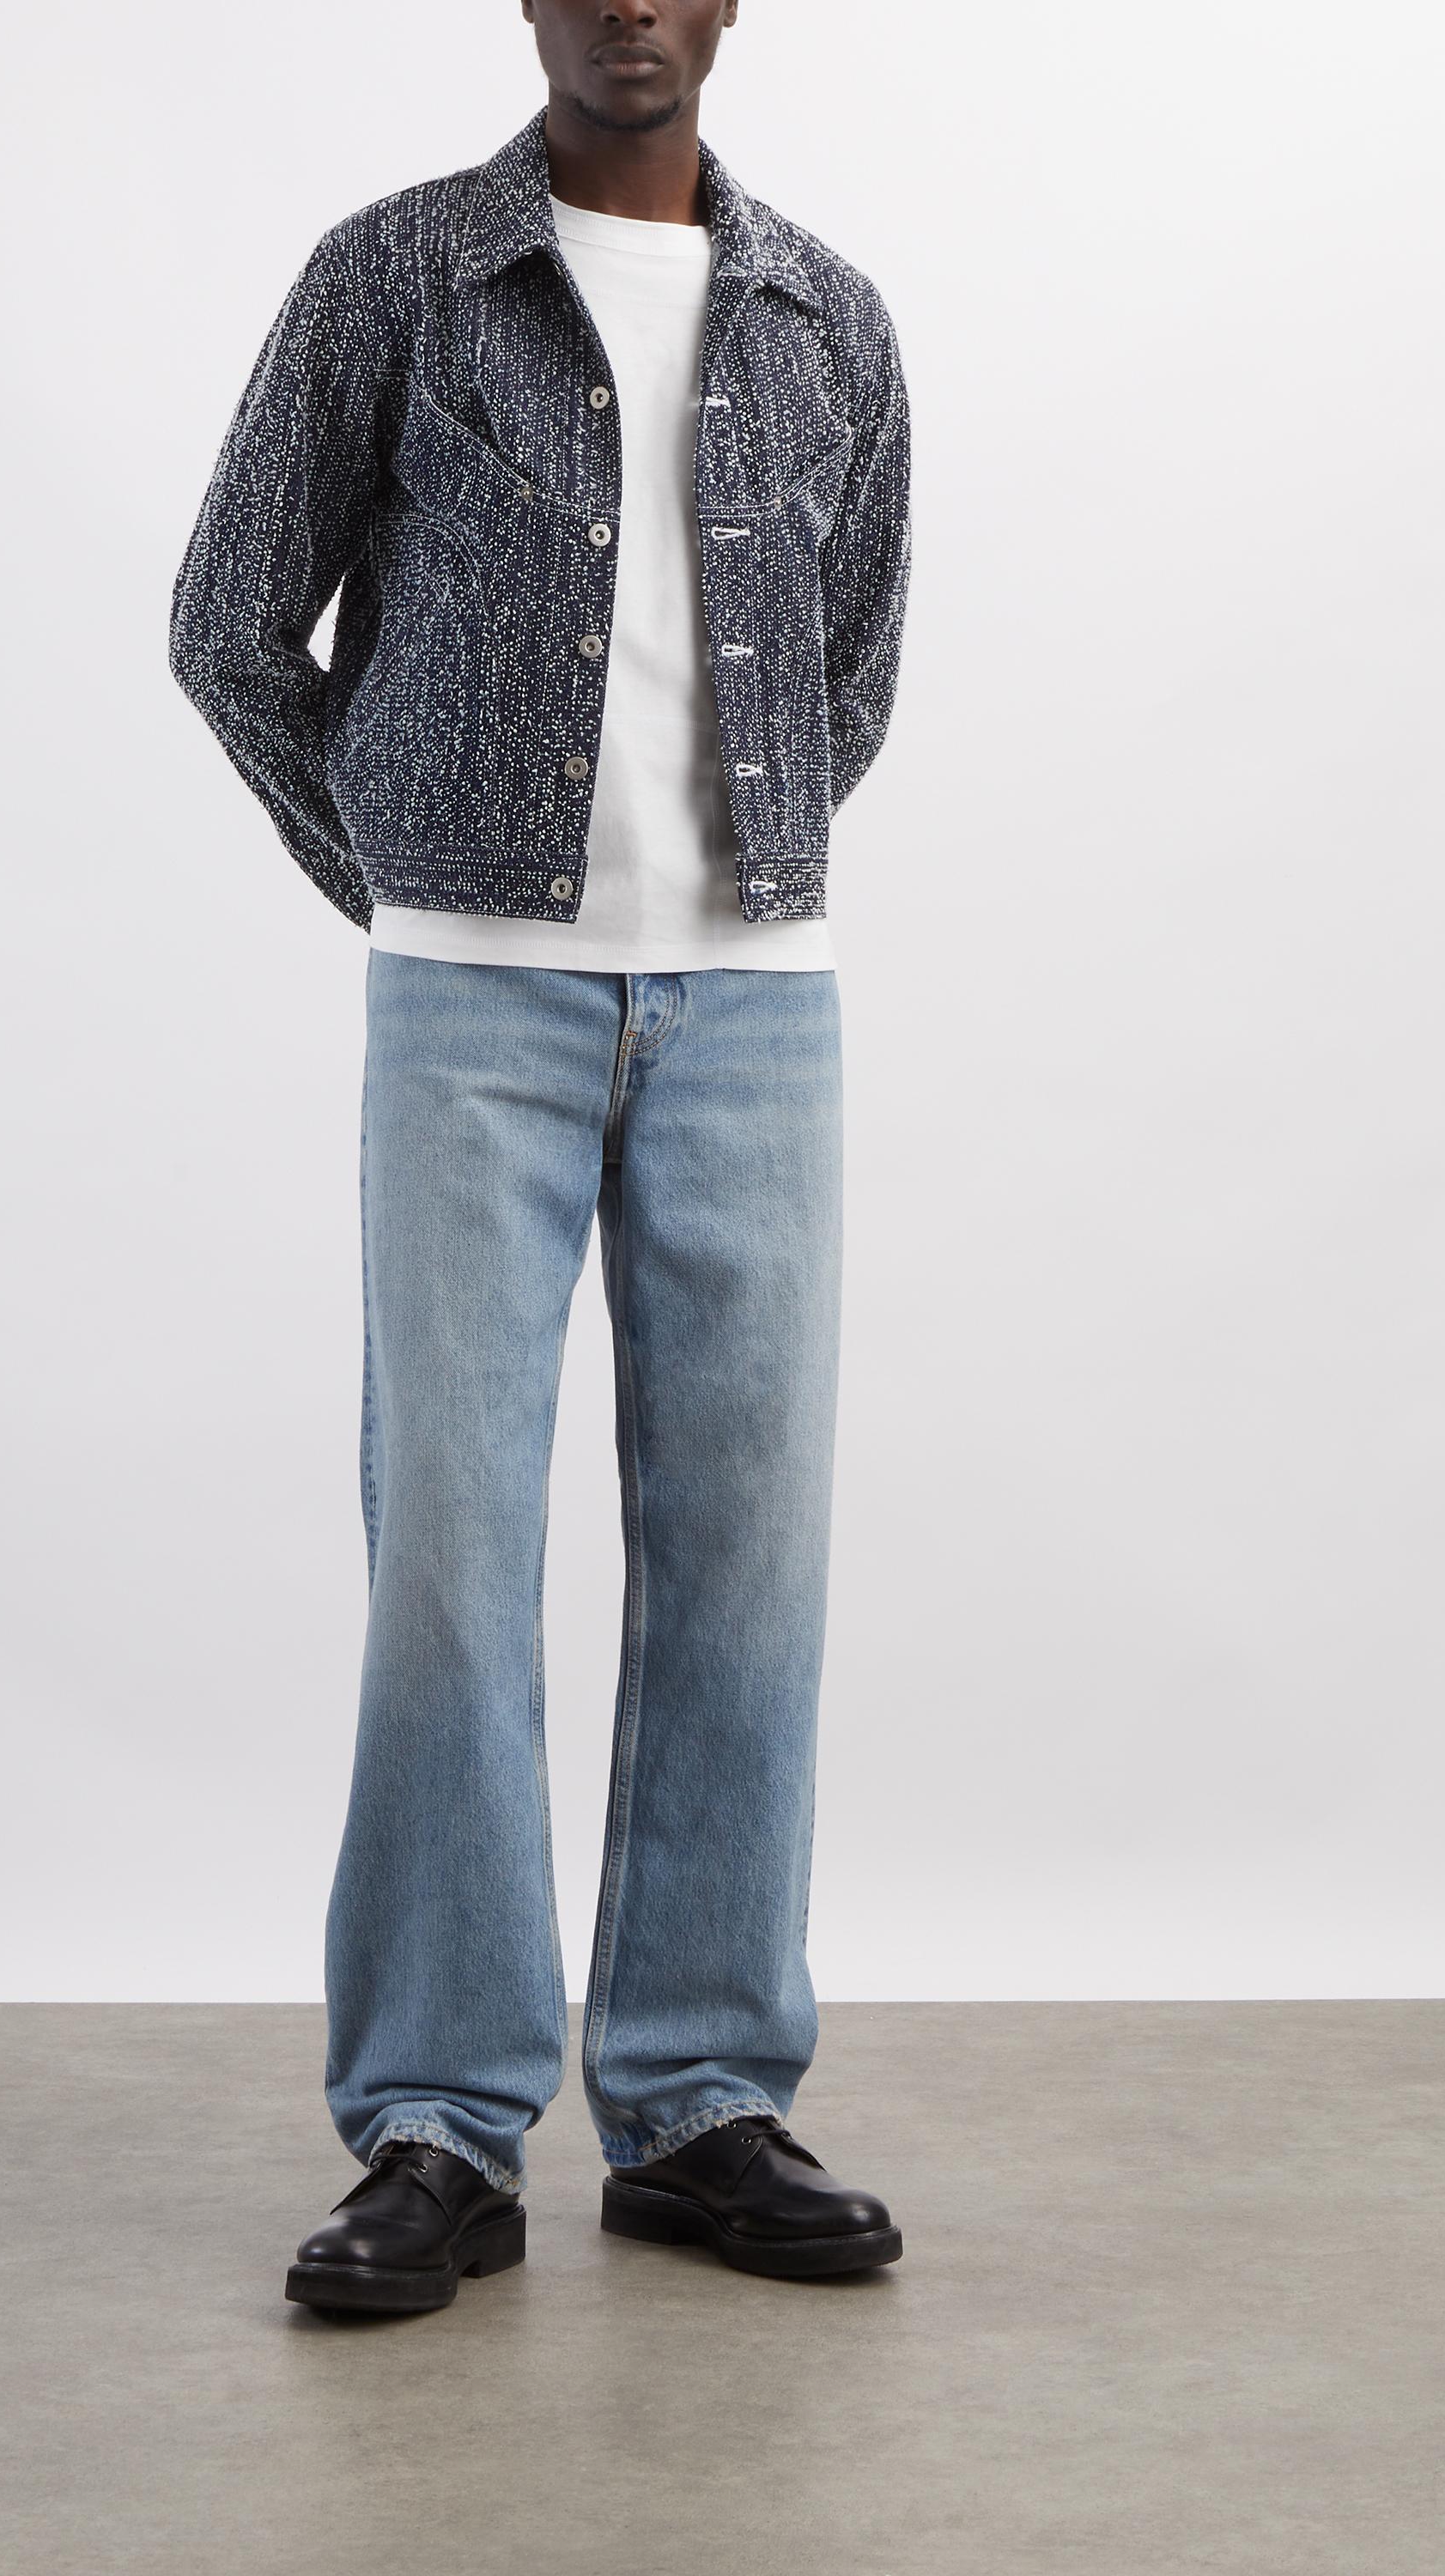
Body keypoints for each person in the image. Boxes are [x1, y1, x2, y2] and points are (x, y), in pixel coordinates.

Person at [170, 0, 913, 2317]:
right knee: (452, 1558)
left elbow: (855, 664)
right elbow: (227, 626)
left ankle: (697, 2101)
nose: (629, 6)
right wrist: (408, 871)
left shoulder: (827, 318)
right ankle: (437, 2116)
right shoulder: (397, 277)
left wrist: (726, 884)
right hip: (468, 1009)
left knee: (747, 1558)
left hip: (757, 1014)